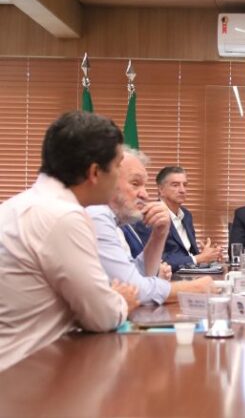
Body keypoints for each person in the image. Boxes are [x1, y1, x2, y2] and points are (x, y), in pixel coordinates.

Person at [0, 111, 138, 371]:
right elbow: (101, 316)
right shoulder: (63, 216)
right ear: (94, 172)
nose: (120, 175)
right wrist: (121, 301)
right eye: (118, 165)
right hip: (25, 372)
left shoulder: (18, 205)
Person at [87, 149, 212, 305]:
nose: (145, 195)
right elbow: (134, 288)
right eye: (135, 184)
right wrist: (193, 288)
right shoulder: (96, 215)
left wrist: (159, 234)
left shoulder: (115, 222)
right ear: (106, 180)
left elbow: (142, 274)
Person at [156, 166, 222, 271]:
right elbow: (158, 261)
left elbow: (189, 255)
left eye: (185, 185)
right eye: (175, 185)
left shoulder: (186, 215)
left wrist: (207, 256)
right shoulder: (153, 216)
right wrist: (198, 258)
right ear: (161, 189)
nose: (182, 190)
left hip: (189, 274)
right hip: (169, 278)